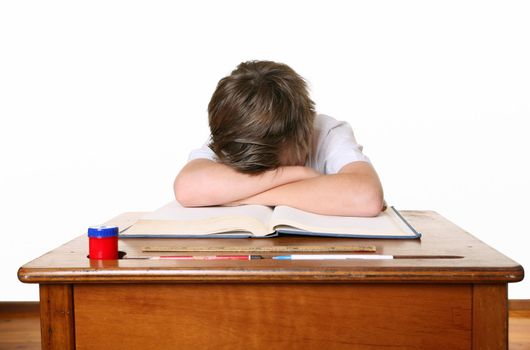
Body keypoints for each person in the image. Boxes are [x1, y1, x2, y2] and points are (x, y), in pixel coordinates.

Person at [173, 60, 384, 217]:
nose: (267, 172)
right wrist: (298, 173)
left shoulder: (327, 133)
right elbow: (186, 187)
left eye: (274, 165)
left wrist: (240, 196)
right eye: (260, 171)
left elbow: (366, 196)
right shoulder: (238, 136)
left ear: (305, 133)